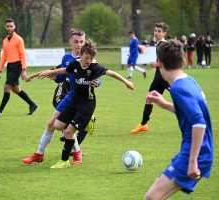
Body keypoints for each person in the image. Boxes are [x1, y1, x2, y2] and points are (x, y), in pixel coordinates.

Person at [37, 39, 134, 169]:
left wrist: (126, 82)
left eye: (91, 58)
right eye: (86, 57)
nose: (88, 60)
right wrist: (50, 72)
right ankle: (86, 122)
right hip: (74, 101)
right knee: (57, 125)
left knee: (68, 132)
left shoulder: (94, 67)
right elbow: (65, 70)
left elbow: (110, 72)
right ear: (81, 55)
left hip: (87, 104)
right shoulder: (75, 64)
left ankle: (64, 161)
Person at [143, 39, 214, 199]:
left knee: (151, 198)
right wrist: (165, 104)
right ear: (183, 61)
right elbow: (191, 113)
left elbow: (199, 122)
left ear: (159, 63)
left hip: (195, 153)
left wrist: (193, 161)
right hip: (201, 151)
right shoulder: (189, 81)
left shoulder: (178, 88)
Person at [22, 29, 99, 166]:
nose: (79, 44)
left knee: (66, 128)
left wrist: (97, 82)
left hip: (82, 100)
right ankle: (39, 154)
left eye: (82, 41)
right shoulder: (67, 58)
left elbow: (98, 80)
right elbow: (63, 77)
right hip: (70, 97)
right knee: (51, 123)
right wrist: (55, 77)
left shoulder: (89, 59)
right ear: (70, 42)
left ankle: (76, 153)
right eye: (76, 41)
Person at [0, 19, 38, 117]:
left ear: (14, 27)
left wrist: (24, 70)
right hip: (10, 66)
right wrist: (0, 70)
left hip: (17, 66)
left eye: (11, 26)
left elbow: (23, 55)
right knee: (16, 89)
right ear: (5, 27)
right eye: (7, 26)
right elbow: (4, 57)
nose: (9, 28)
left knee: (7, 87)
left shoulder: (19, 39)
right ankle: (33, 105)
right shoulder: (5, 41)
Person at [131, 22, 169, 134]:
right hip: (158, 78)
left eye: (159, 31)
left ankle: (194, 120)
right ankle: (143, 125)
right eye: (155, 30)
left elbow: (170, 61)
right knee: (149, 98)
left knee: (180, 98)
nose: (156, 33)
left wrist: (157, 64)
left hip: (167, 78)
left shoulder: (164, 45)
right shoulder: (159, 45)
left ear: (164, 33)